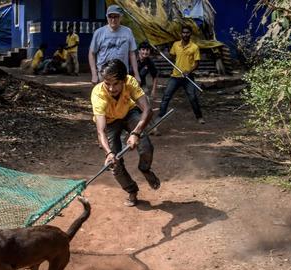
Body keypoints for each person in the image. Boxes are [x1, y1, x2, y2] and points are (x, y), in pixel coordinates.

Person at [91, 59, 161, 207]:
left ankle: (145, 169)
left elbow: (147, 110)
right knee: (114, 164)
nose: (111, 88)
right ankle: (131, 190)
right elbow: (101, 131)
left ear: (123, 80)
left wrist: (135, 133)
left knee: (146, 146)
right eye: (107, 83)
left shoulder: (130, 82)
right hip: (109, 122)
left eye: (115, 83)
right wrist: (109, 153)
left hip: (129, 113)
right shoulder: (98, 94)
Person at [158, 25, 205, 124]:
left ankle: (199, 117)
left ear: (190, 34)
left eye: (187, 32)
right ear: (181, 34)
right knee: (166, 96)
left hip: (188, 77)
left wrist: (189, 71)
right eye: (184, 32)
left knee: (193, 97)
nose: (185, 34)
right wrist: (175, 63)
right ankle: (159, 118)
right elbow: (172, 55)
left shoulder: (194, 47)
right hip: (175, 76)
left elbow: (197, 63)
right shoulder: (176, 45)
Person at [88, 4, 140, 85]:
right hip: (103, 75)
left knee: (123, 97)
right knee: (103, 97)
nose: (113, 19)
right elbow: (91, 54)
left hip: (122, 75)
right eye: (110, 17)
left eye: (116, 16)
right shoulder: (99, 33)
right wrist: (94, 74)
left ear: (121, 17)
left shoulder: (127, 32)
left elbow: (132, 54)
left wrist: (136, 74)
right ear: (106, 17)